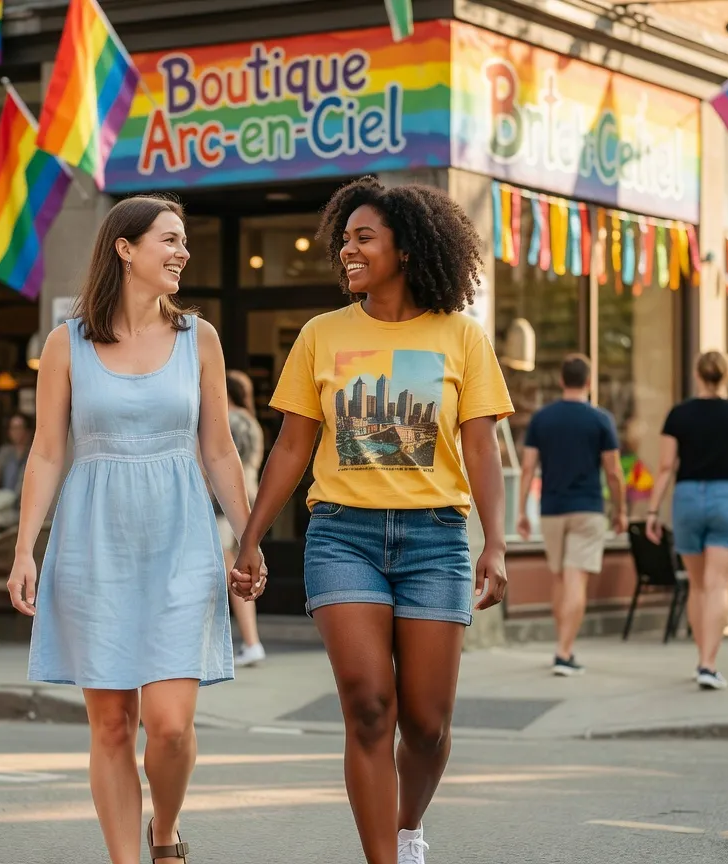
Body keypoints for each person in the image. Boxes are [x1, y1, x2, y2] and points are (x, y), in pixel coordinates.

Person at [232, 177, 512, 864]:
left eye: (363, 238)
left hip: (435, 540)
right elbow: (293, 443)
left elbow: (481, 446)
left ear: (406, 249)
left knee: (426, 724)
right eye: (344, 239)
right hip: (343, 535)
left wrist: (496, 544)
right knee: (367, 708)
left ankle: (408, 826)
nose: (347, 251)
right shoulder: (321, 334)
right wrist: (250, 538)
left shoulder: (461, 337)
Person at [7, 195, 263, 864]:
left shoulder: (198, 338)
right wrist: (24, 549)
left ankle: (164, 830)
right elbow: (47, 451)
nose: (182, 252)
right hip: (93, 542)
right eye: (169, 240)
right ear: (125, 248)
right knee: (113, 726)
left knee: (170, 727)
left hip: (181, 540)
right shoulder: (67, 343)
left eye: (183, 242)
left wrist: (249, 534)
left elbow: (218, 451)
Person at [645, 351, 728, 690]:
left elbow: (666, 467)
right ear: (727, 375)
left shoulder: (678, 415)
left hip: (686, 499)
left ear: (697, 375)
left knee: (698, 585)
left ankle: (701, 658)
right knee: (719, 586)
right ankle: (708, 664)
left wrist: (653, 511)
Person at [516, 354, 627, 676]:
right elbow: (615, 471)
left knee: (561, 578)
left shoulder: (542, 419)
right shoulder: (601, 419)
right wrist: (619, 510)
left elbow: (527, 468)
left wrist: (522, 510)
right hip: (588, 509)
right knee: (575, 579)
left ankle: (562, 646)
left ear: (562, 380)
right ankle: (564, 652)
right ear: (589, 382)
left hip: (551, 509)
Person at [215, 369, 266, 667]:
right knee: (238, 567)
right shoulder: (251, 421)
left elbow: (220, 464)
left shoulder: (231, 421)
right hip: (249, 499)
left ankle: (250, 640)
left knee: (230, 571)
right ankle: (251, 641)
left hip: (226, 503)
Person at [0, 414, 32, 494]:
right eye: (13, 428)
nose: (16, 432)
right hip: (5, 498)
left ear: (27, 431)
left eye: (19, 428)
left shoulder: (33, 452)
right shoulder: (4, 452)